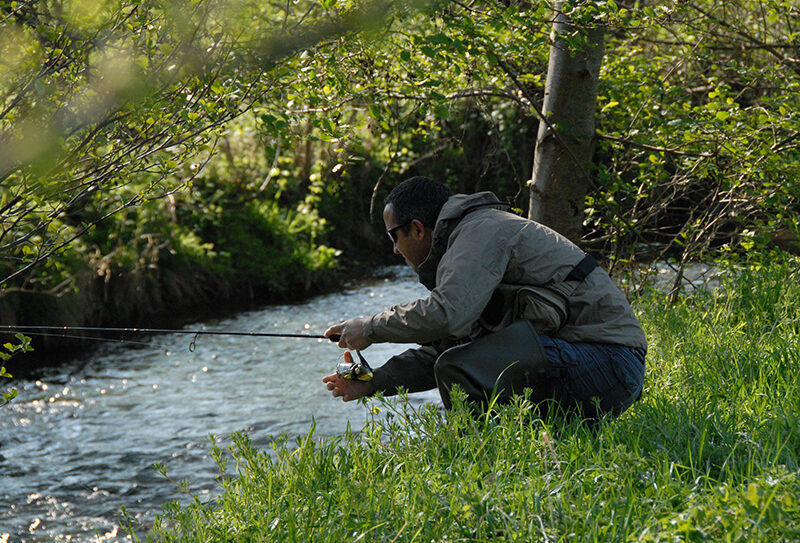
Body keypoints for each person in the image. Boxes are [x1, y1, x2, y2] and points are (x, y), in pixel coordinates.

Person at [323, 176, 647, 419]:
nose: (394, 249)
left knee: (458, 366)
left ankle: (476, 467)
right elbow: (446, 344)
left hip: (609, 361)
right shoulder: (471, 238)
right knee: (458, 358)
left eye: (394, 236)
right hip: (601, 364)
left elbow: (447, 315)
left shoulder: (479, 231)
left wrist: (369, 328)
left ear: (418, 229)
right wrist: (373, 381)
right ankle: (497, 464)